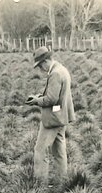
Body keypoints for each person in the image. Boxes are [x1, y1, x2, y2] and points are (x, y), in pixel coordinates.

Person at [25, 47, 76, 186]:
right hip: (61, 116)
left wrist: (36, 101)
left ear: (46, 60)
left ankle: (39, 184)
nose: (41, 69)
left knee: (40, 150)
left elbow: (52, 99)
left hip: (53, 118)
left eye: (41, 65)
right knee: (59, 151)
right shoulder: (62, 69)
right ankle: (62, 181)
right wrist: (40, 96)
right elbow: (57, 96)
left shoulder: (55, 74)